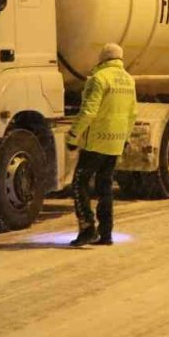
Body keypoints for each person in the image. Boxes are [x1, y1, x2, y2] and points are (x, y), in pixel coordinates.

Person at [67, 43, 138, 246]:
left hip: (96, 142)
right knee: (104, 186)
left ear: (103, 58)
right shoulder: (129, 80)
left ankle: (87, 228)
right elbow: (133, 114)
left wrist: (73, 137)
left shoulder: (99, 78)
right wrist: (124, 138)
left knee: (79, 183)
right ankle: (106, 234)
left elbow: (89, 111)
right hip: (115, 142)